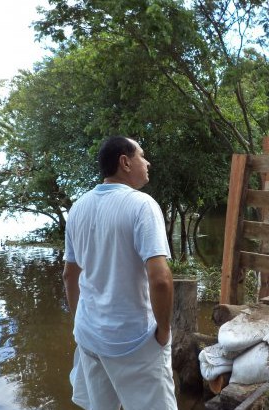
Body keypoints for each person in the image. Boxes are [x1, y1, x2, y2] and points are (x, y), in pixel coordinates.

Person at [62, 136, 177, 410]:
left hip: (90, 335)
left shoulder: (78, 207)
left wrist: (83, 323)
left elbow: (70, 275)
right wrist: (163, 331)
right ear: (125, 162)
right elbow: (160, 279)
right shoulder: (142, 205)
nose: (147, 162)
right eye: (141, 155)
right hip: (134, 339)